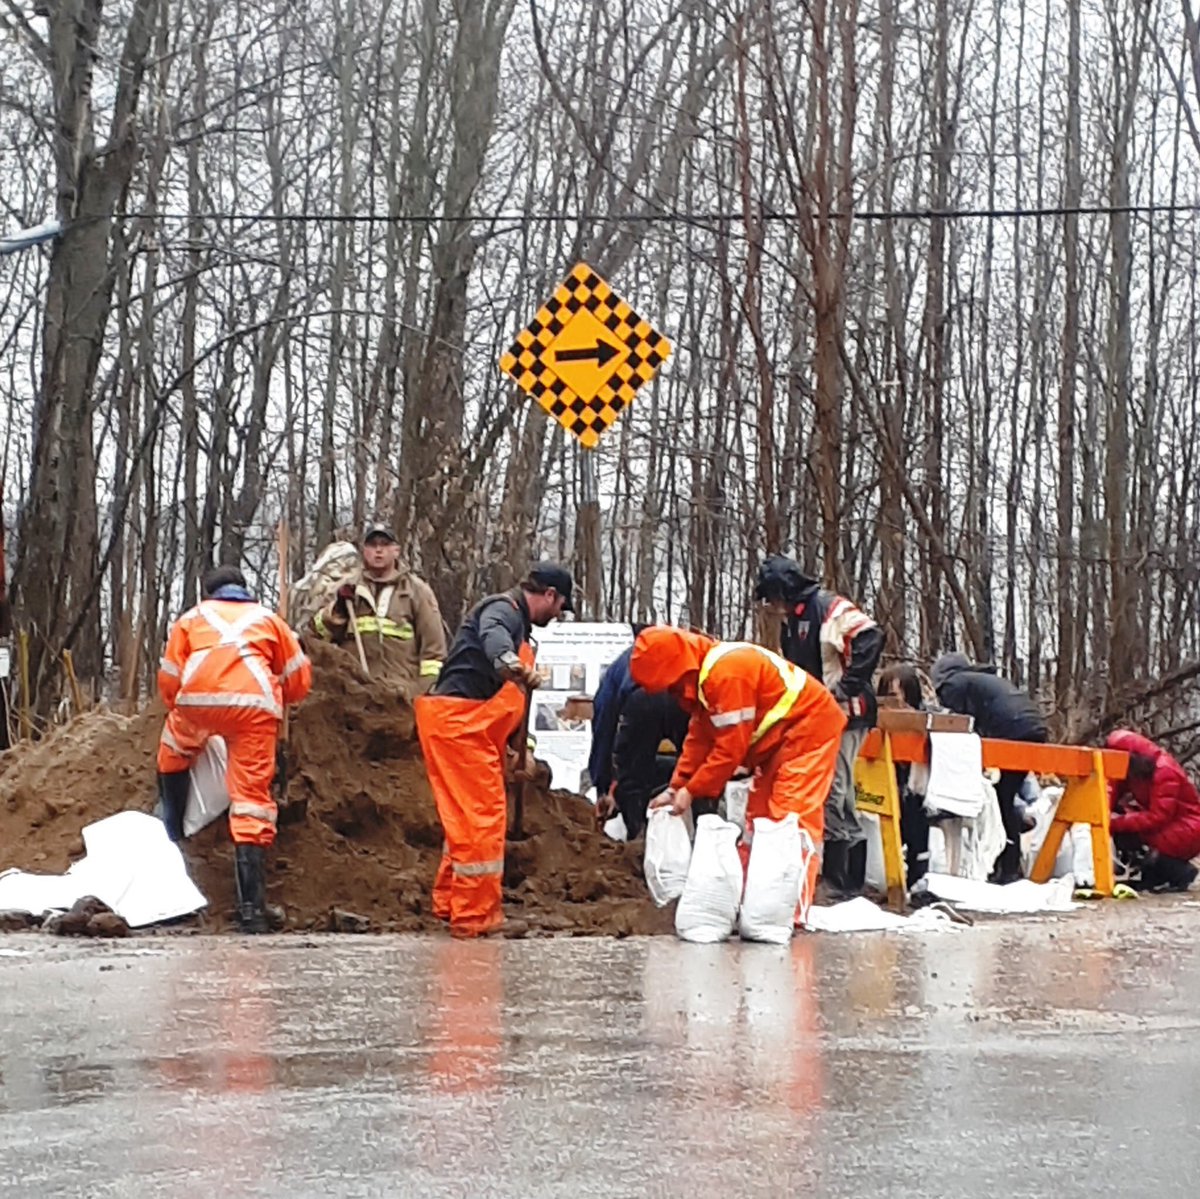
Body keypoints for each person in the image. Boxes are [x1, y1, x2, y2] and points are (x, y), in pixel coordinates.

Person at [630, 627, 847, 914]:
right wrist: (676, 787)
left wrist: (690, 792)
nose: (674, 695)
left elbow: (728, 751)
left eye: (672, 686)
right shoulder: (708, 682)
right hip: (783, 738)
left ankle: (789, 912)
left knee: (789, 822)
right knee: (758, 824)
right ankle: (752, 904)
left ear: (679, 670)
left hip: (809, 730)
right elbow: (699, 738)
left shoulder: (727, 675)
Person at [414, 562, 574, 937]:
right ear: (550, 595)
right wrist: (510, 664)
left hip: (460, 723)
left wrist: (522, 747)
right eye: (560, 605)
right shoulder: (505, 611)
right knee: (481, 819)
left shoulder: (519, 624)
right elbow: (493, 635)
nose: (558, 614)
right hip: (459, 724)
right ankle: (474, 918)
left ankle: (449, 903)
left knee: (465, 820)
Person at [156, 565, 313, 932]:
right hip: (253, 711)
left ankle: (172, 836)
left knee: (173, 754)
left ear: (208, 592)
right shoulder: (270, 621)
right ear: (243, 589)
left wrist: (177, 705)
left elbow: (169, 679)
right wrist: (282, 695)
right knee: (251, 801)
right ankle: (251, 911)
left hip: (197, 704)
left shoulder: (191, 619)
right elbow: (298, 681)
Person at [755, 554, 884, 898]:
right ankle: (838, 873)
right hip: (818, 714)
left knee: (836, 790)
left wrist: (846, 688)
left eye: (773, 597)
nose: (772, 606)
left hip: (848, 712)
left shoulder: (828, 608)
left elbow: (870, 637)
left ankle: (846, 879)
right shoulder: (792, 622)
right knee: (828, 788)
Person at [930, 652, 1048, 884]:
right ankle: (1009, 865)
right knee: (1005, 795)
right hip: (1032, 728)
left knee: (1001, 799)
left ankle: (1008, 867)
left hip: (1012, 731)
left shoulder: (954, 684)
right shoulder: (981, 680)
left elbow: (957, 723)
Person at [312, 523, 446, 695]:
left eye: (384, 544)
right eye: (373, 545)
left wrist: (421, 694)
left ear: (396, 550)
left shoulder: (417, 592)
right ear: (364, 551)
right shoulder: (346, 589)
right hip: (353, 698)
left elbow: (434, 653)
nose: (378, 550)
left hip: (401, 699)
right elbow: (316, 637)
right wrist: (337, 610)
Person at [1106, 730, 1200, 892]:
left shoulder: (1164, 771)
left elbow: (1159, 816)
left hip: (1188, 828)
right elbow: (1111, 792)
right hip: (1177, 824)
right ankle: (1153, 872)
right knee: (1129, 831)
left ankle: (1174, 871)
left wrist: (1113, 822)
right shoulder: (1139, 770)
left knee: (1136, 834)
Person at [595, 684, 691, 839]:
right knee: (697, 760)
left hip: (644, 699)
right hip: (682, 695)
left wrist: (604, 788)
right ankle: (706, 831)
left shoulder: (614, 681)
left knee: (632, 775)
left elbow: (603, 735)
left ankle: (637, 837)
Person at [879, 663, 931, 888]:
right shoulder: (877, 721)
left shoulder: (923, 719)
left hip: (914, 786)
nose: (895, 703)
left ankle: (918, 877)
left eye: (898, 695)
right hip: (885, 783)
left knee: (915, 819)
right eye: (889, 696)